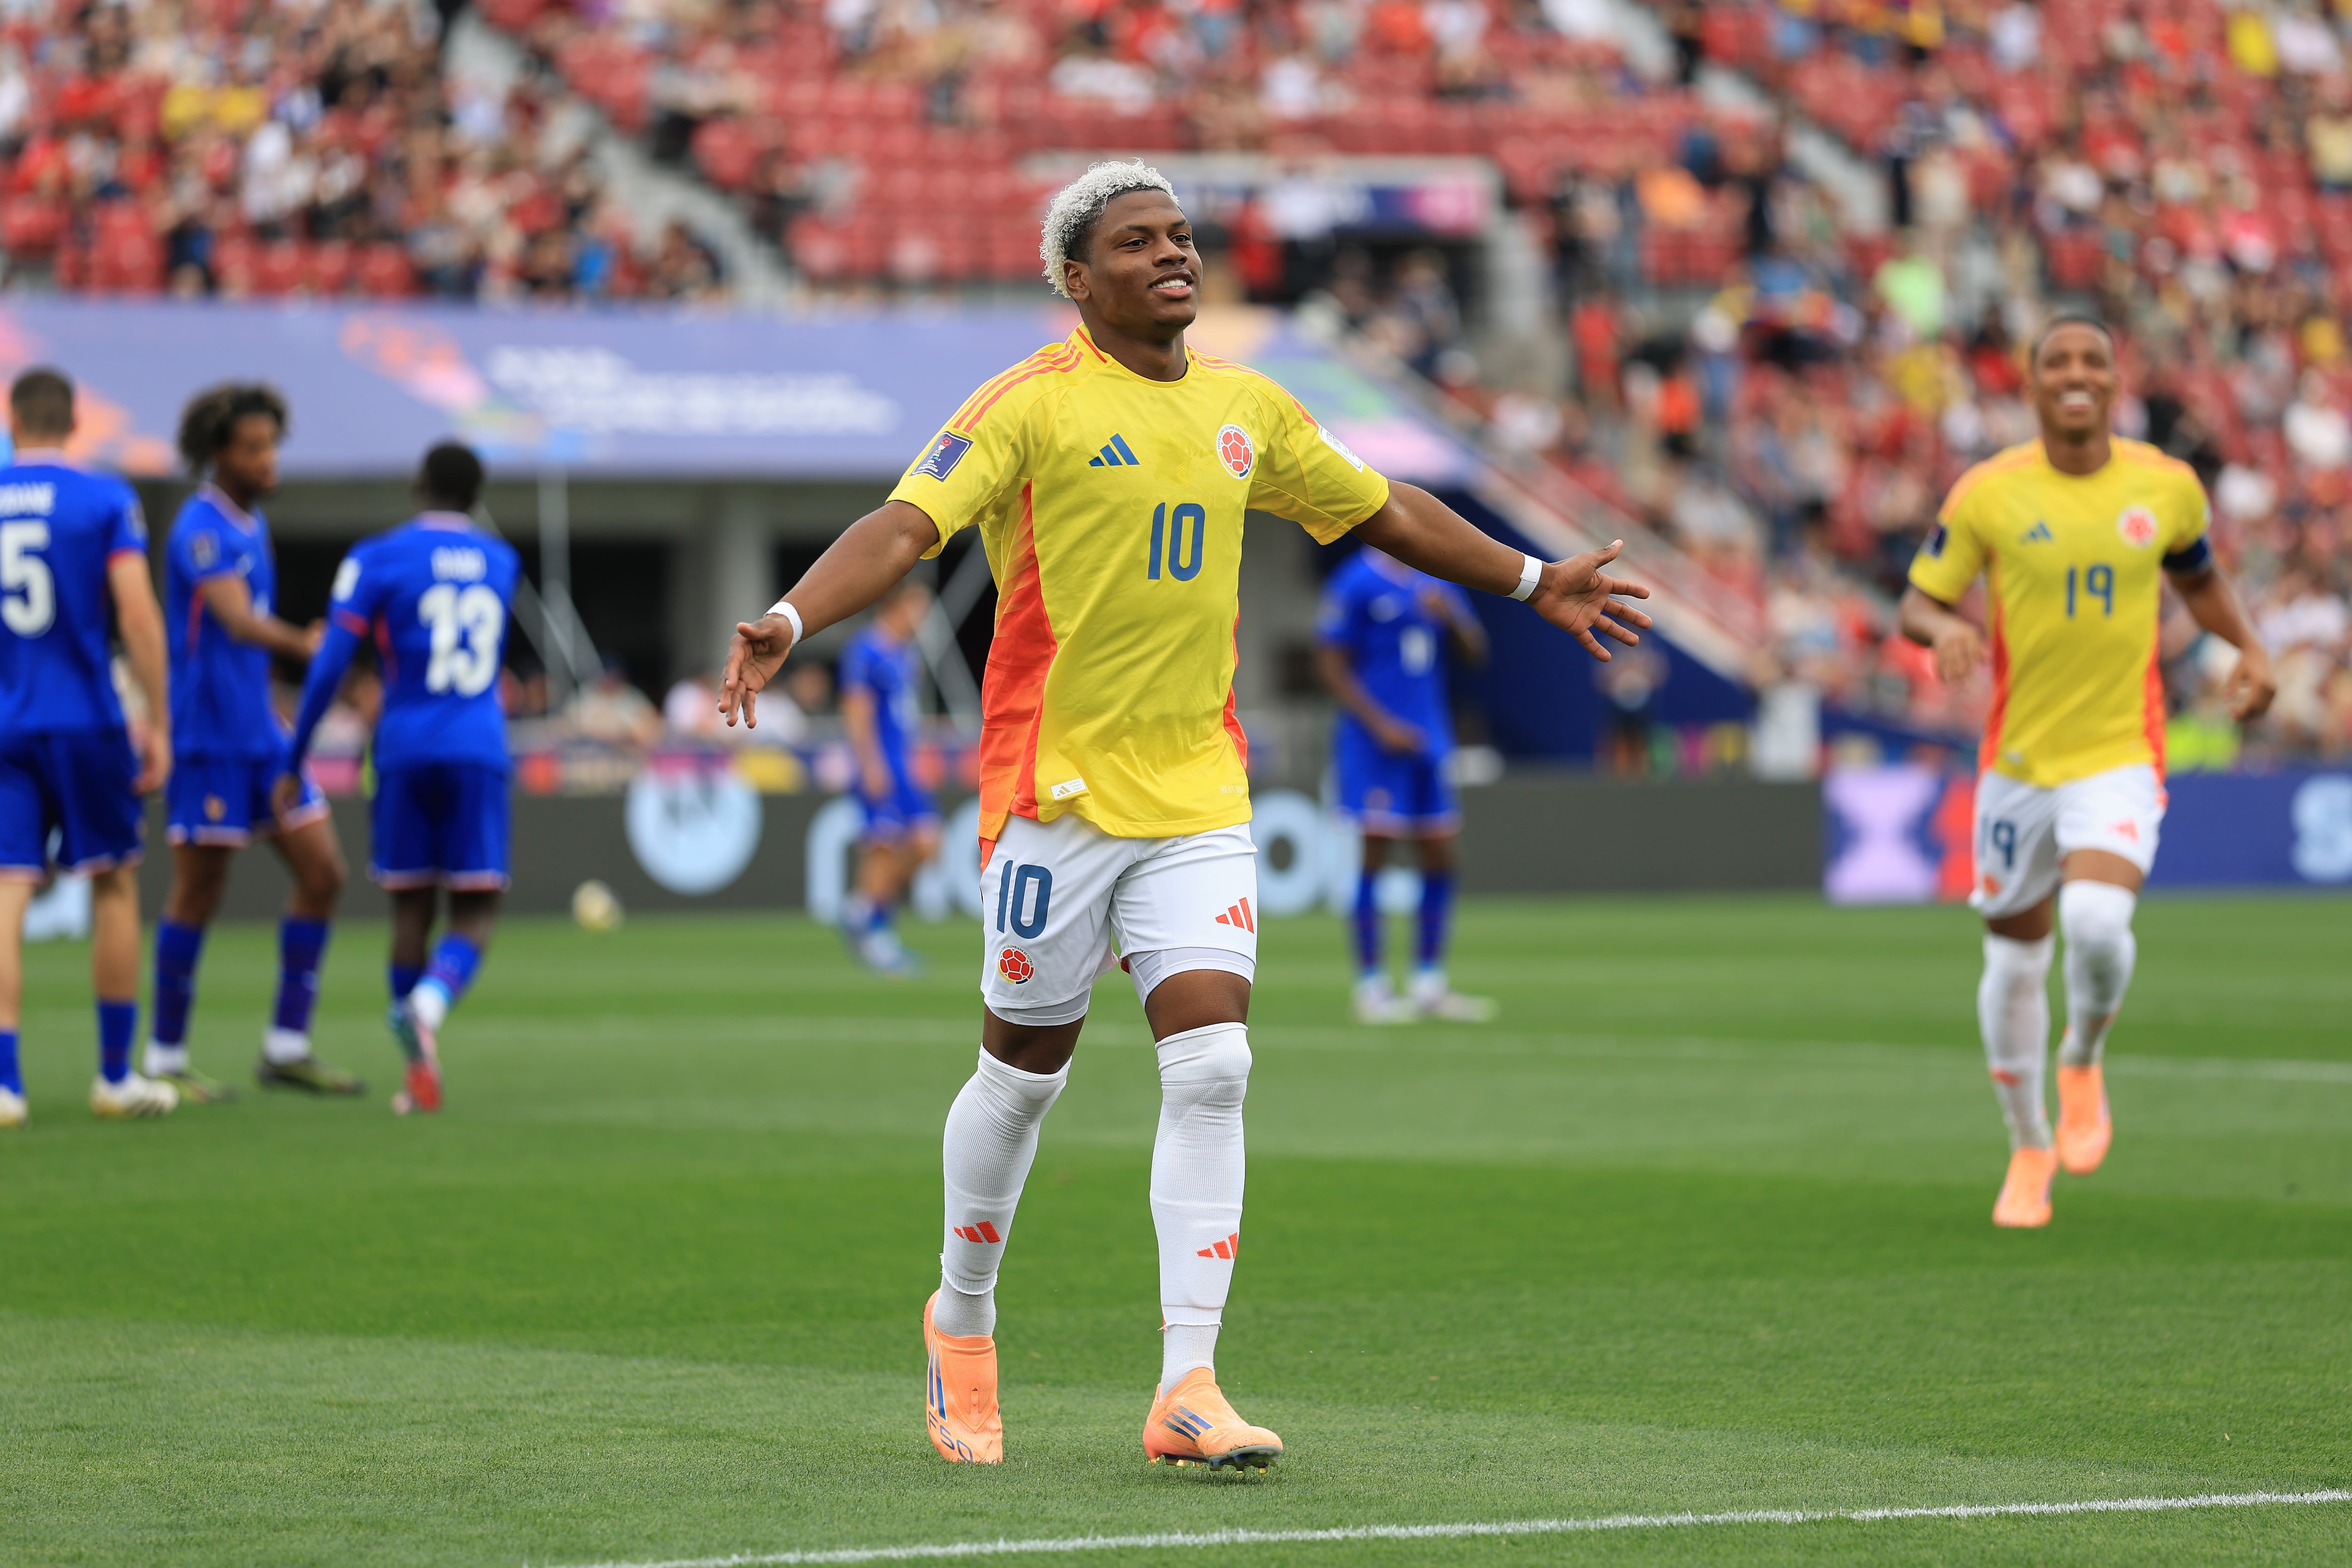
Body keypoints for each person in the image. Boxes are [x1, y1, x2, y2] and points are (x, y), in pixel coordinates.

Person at [718, 160, 1649, 1471]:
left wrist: (1534, 573)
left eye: (1183, 236)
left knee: (1214, 1064)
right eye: (1138, 241)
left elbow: (1385, 509)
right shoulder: (1029, 406)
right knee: (1023, 1076)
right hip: (1056, 795)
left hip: (1199, 793)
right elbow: (904, 523)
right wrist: (793, 617)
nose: (1174, 255)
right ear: (1075, 277)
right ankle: (963, 1318)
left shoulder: (1247, 406)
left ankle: (1189, 1384)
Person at [1899, 315, 2276, 1230]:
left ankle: (2083, 1052)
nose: (2076, 374)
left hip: (2117, 752)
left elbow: (2196, 579)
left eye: (2092, 361)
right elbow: (1920, 597)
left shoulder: (2165, 485)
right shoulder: (1989, 492)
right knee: (2014, 958)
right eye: (2056, 361)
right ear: (2030, 386)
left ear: (2116, 381)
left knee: (2098, 920)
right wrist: (1947, 629)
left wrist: (2248, 647)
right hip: (2017, 766)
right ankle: (2027, 1144)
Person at [285, 443, 518, 1116]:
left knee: (410, 907)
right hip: (478, 744)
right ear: (476, 496)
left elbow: (333, 659)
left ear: (419, 485)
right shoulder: (502, 562)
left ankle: (415, 1066)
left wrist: (295, 750)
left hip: (403, 746)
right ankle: (427, 1005)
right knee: (474, 910)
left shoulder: (378, 556)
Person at [146, 383, 361, 1102]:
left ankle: (286, 1046)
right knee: (200, 891)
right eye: (254, 448)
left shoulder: (251, 523)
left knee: (324, 871)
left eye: (272, 445)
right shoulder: (200, 528)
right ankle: (165, 1056)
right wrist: (308, 642)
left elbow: (243, 648)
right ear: (219, 454)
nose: (269, 460)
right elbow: (237, 622)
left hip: (264, 736)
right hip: (208, 738)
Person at [0, 366, 177, 1125]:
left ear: (12, 422)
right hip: (85, 720)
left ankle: (5, 1085)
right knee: (112, 882)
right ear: (75, 423)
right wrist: (160, 721)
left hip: (6, 722)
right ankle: (113, 1076)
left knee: (6, 891)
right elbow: (137, 619)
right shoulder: (105, 498)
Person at [1314, 544, 1493, 1023]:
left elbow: (1476, 653)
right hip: (1375, 745)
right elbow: (1330, 664)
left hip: (1429, 739)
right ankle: (1370, 987)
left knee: (1439, 855)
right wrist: (1380, 726)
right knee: (1375, 854)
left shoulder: (1437, 577)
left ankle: (1428, 982)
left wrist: (1451, 615)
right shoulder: (1355, 581)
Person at [837, 577, 940, 975]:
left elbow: (905, 717)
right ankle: (877, 934)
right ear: (896, 606)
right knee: (883, 849)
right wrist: (870, 764)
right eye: (918, 608)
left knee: (927, 845)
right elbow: (857, 710)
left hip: (905, 766)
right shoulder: (866, 650)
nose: (923, 618)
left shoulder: (904, 655)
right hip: (880, 765)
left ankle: (862, 910)